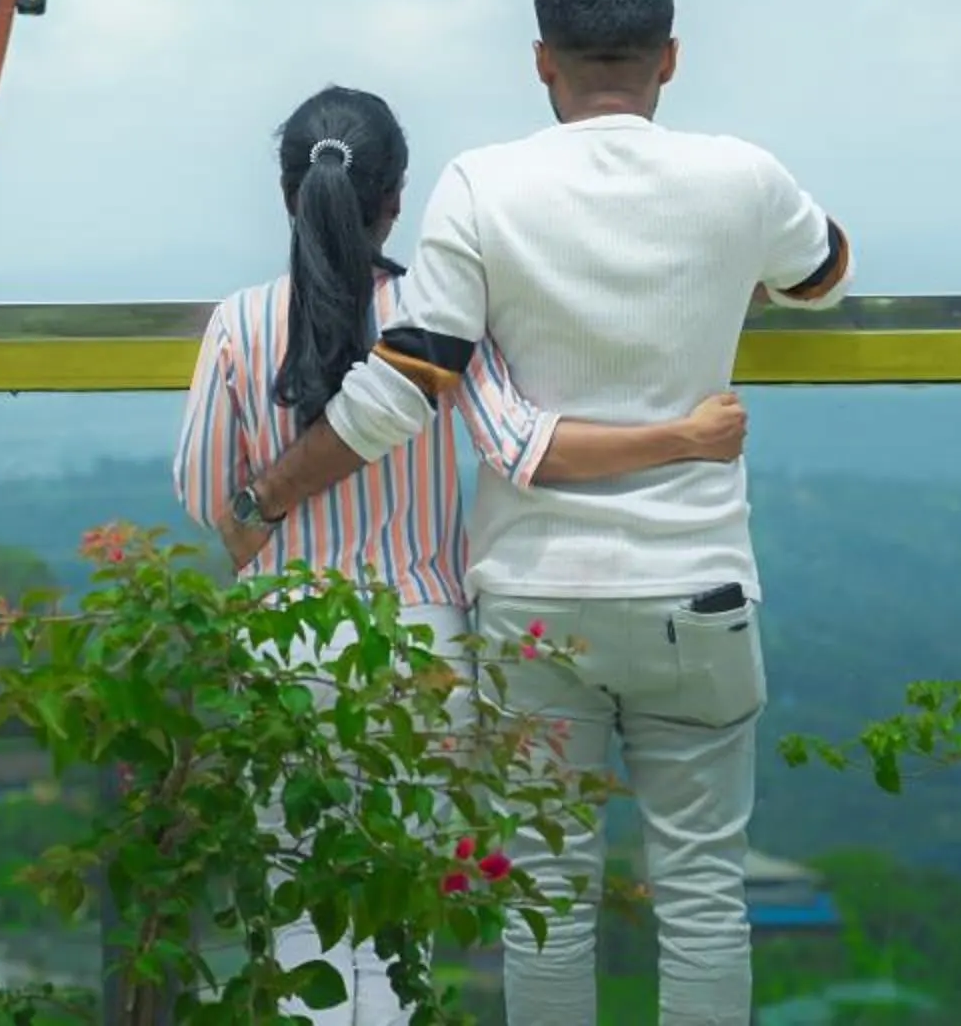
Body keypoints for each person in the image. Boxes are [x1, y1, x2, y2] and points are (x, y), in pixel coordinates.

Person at [224, 0, 852, 1026]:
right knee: (702, 898)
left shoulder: (484, 185)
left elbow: (407, 386)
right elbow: (824, 275)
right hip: (696, 588)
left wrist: (268, 494)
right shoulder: (741, 175)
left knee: (548, 902)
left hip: (531, 603)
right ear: (670, 57)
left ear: (541, 61)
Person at [174, 81, 754, 1025]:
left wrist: (265, 509)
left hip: (276, 644)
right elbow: (519, 447)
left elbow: (208, 496)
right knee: (396, 931)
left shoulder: (237, 325)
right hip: (421, 651)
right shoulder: (439, 319)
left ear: (290, 197)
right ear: (396, 200)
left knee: (296, 926)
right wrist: (683, 437)